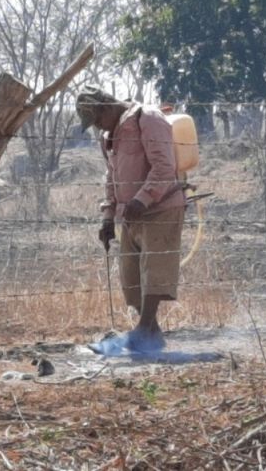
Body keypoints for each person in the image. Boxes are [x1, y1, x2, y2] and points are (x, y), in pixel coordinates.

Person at [76, 86, 186, 354]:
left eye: (97, 119)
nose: (97, 126)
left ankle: (142, 332)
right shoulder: (108, 136)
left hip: (160, 208)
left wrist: (142, 199)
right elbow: (111, 179)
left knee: (154, 270)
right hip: (131, 214)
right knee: (131, 275)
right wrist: (107, 218)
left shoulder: (148, 119)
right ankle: (151, 334)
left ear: (107, 107)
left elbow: (164, 167)